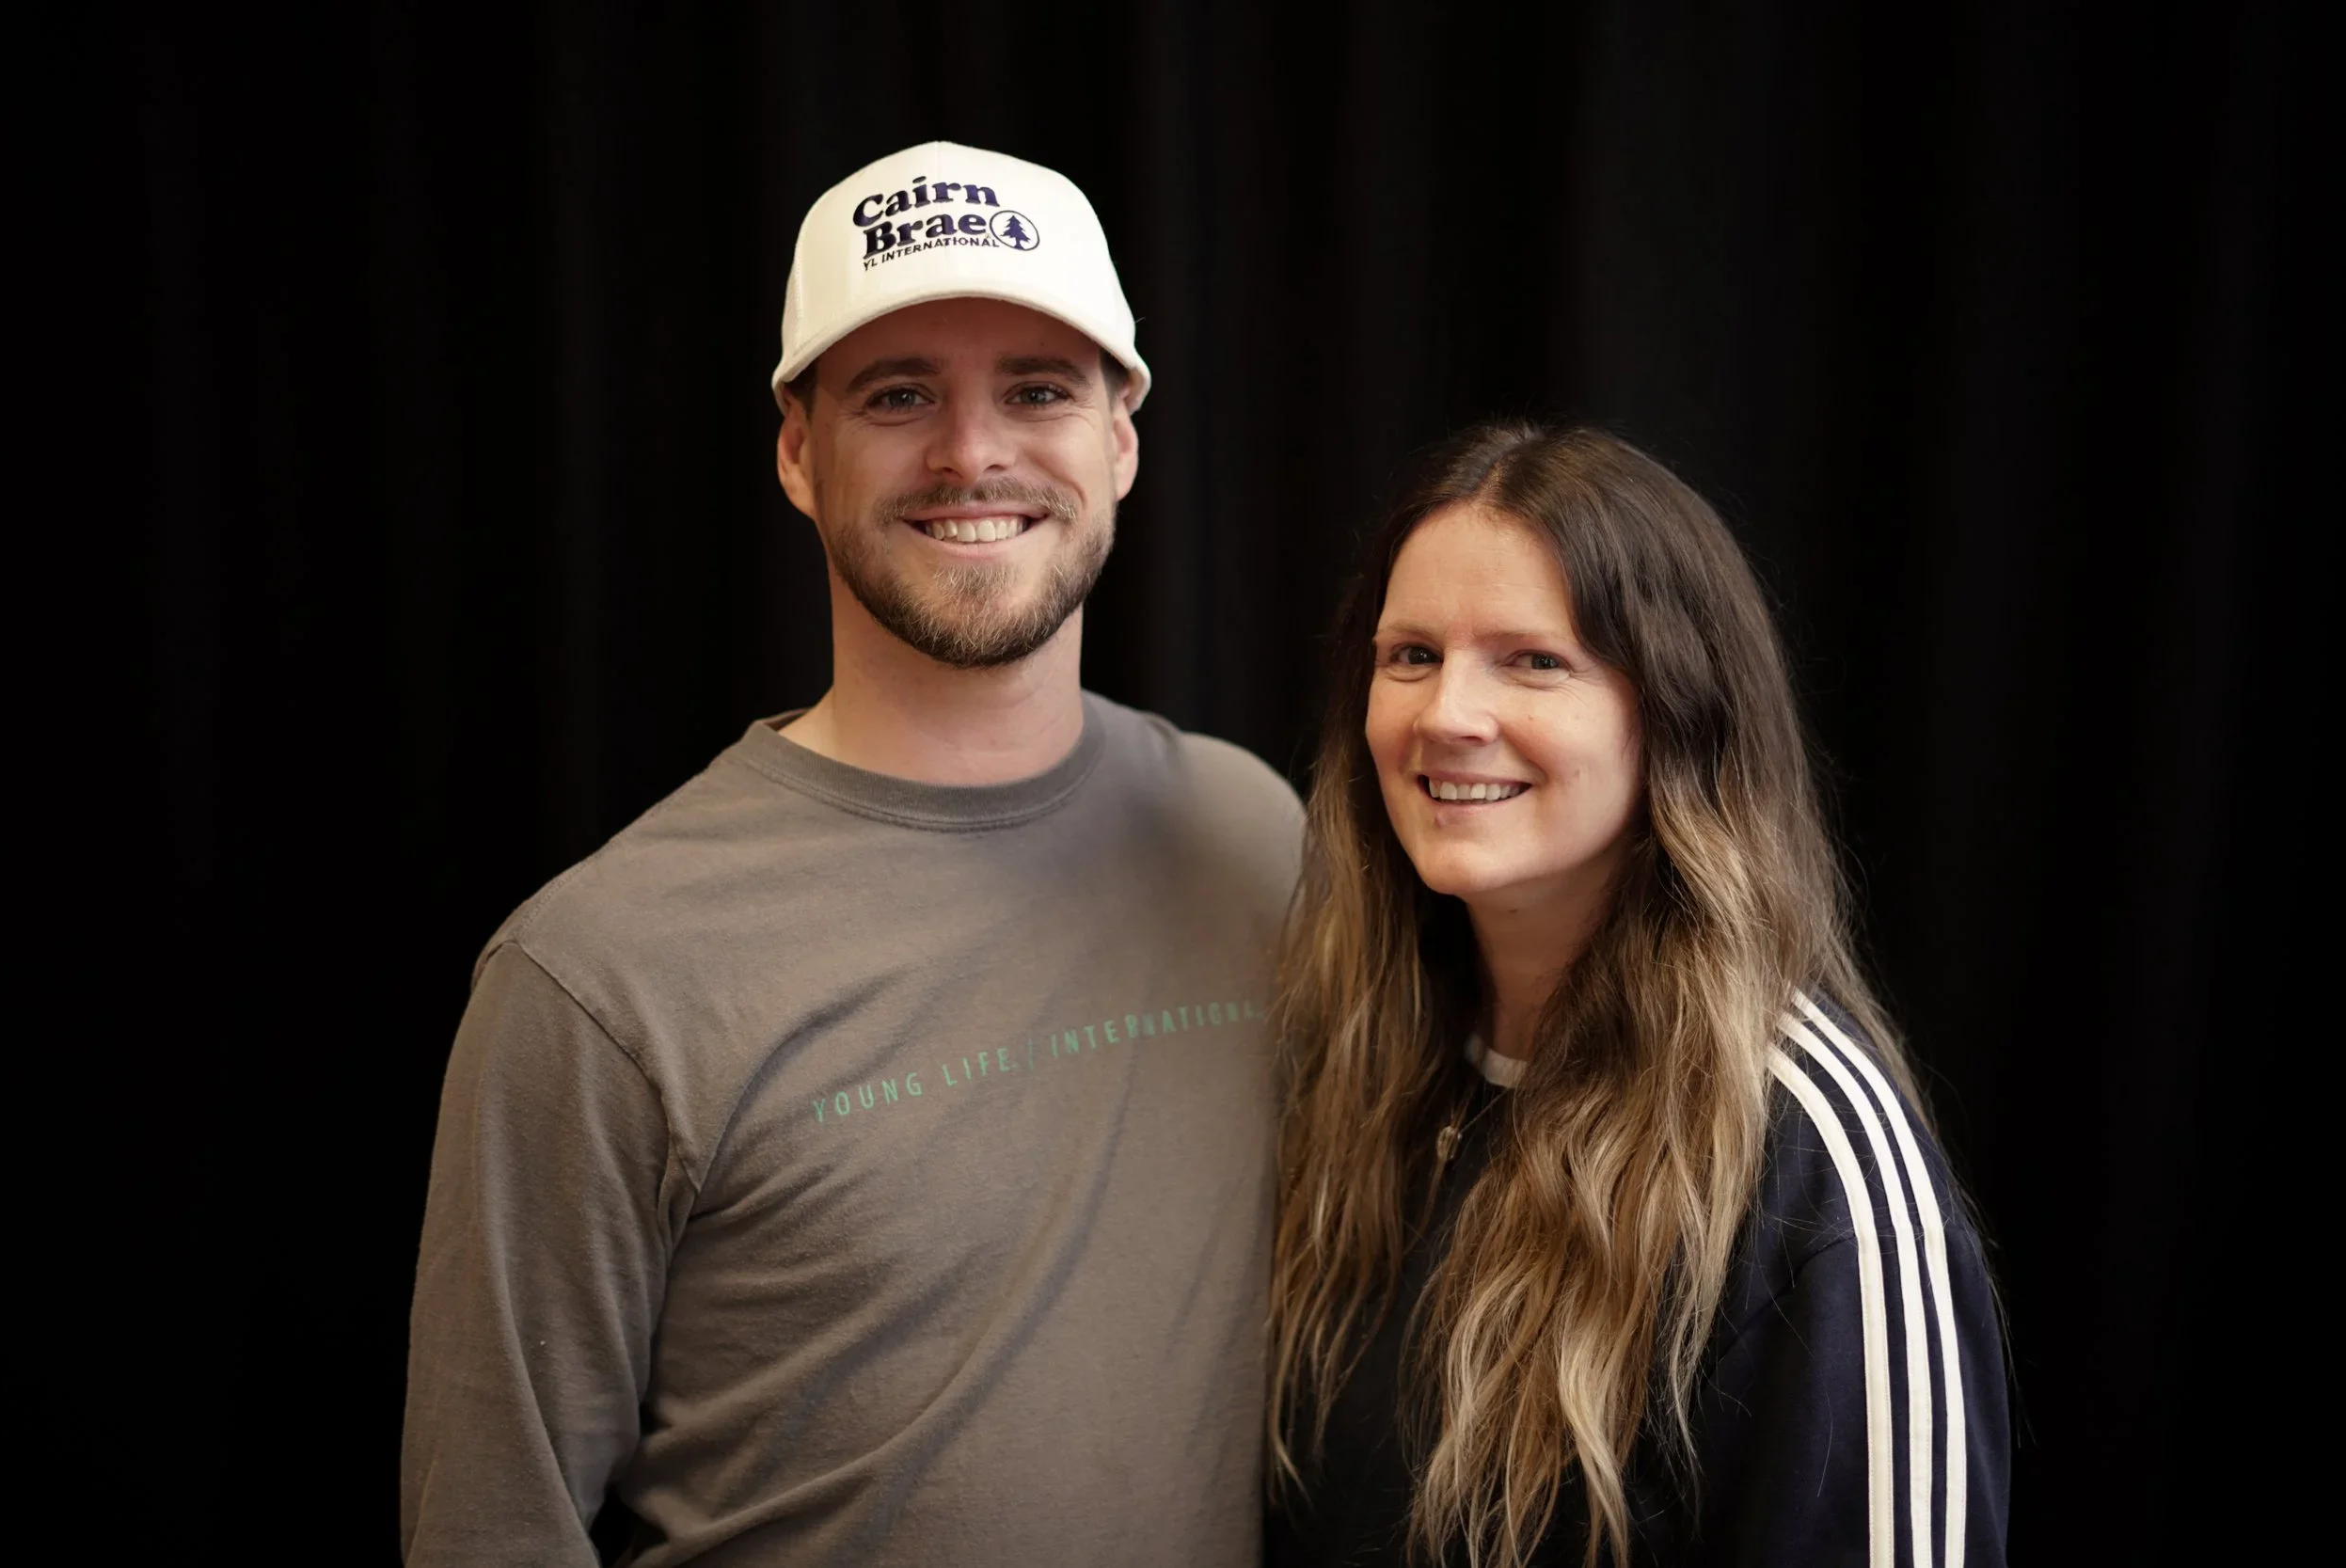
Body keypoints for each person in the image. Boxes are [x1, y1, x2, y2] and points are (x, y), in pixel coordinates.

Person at [402, 142, 1303, 1567]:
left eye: (1038, 389)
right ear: (797, 449)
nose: (972, 452)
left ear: (1122, 438)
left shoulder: (1253, 836)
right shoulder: (599, 973)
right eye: (898, 395)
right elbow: (484, 1528)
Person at [1264, 424, 2008, 1567]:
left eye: (1533, 660)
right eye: (1410, 653)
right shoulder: (1362, 1064)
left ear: (1675, 710)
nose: (1447, 713)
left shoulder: (1808, 1159)